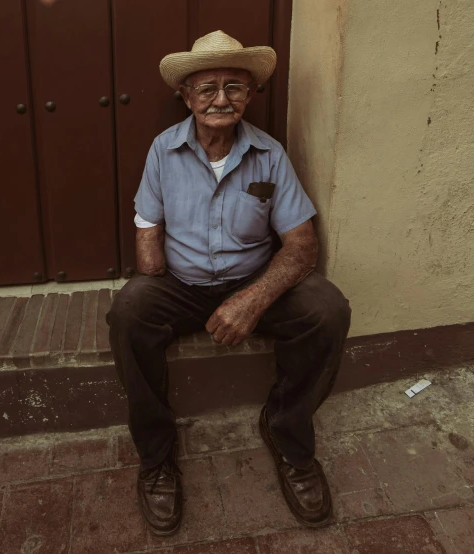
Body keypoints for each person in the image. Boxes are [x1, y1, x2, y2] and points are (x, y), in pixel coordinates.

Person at [107, 30, 351, 535]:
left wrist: (253, 299)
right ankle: (157, 456)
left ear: (250, 94)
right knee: (130, 312)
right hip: (180, 283)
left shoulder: (269, 154)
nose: (222, 99)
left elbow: (301, 247)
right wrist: (159, 261)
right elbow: (149, 247)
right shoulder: (162, 151)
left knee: (327, 308)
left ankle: (287, 436)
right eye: (209, 88)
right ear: (187, 96)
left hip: (253, 278)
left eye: (235, 87)